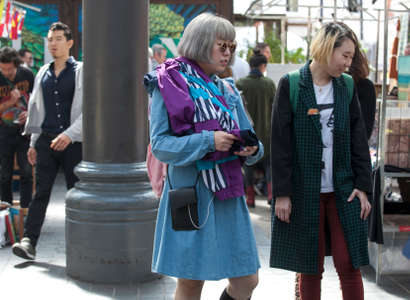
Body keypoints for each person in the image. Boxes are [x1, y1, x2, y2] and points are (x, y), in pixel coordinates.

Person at [144, 13, 263, 300]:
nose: (228, 53)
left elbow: (251, 139)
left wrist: (251, 148)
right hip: (191, 194)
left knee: (247, 280)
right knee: (190, 283)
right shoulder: (169, 82)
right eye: (221, 46)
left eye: (231, 47)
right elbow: (160, 145)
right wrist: (209, 140)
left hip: (228, 193)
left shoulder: (227, 88)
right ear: (200, 43)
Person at [270, 22, 372, 300]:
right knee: (309, 268)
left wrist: (363, 186)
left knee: (349, 263)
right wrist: (282, 193)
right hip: (304, 191)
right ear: (327, 48)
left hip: (343, 189)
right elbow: (280, 144)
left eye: (352, 57)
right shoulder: (291, 84)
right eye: (346, 55)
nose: (349, 63)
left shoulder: (346, 86)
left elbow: (358, 139)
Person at [11, 22, 83, 260]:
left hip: (74, 143)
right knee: (41, 192)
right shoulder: (42, 71)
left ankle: (80, 246)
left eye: (59, 38)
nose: (53, 43)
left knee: (76, 194)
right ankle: (28, 241)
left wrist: (69, 134)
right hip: (46, 141)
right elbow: (36, 109)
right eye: (50, 39)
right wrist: (32, 142)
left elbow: (90, 110)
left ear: (70, 42)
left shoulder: (81, 70)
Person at [0, 46, 34, 208]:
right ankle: (6, 209)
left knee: (26, 171)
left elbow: (37, 101)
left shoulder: (27, 75)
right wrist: (9, 103)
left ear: (16, 64)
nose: (6, 72)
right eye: (3, 69)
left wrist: (30, 114)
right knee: (5, 173)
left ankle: (25, 209)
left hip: (24, 131)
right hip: (4, 132)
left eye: (9, 69)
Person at [236, 54, 276, 207]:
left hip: (248, 134)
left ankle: (250, 198)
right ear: (263, 66)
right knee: (269, 167)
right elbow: (275, 108)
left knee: (248, 166)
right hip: (267, 134)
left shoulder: (240, 83)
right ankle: (271, 195)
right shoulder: (269, 84)